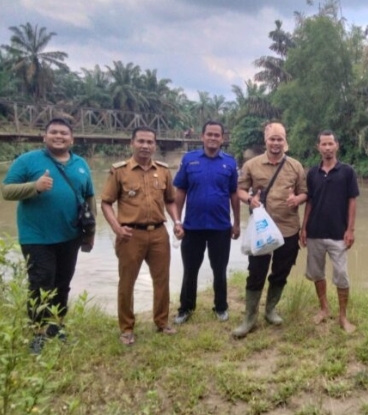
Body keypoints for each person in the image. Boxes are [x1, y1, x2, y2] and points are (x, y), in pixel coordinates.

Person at [2, 118, 96, 354]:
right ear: (44, 137)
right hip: (37, 237)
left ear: (71, 139)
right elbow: (7, 191)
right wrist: (35, 186)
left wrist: (90, 232)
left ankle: (56, 326)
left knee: (63, 283)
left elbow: (89, 198)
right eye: (53, 132)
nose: (59, 136)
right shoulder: (28, 160)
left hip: (70, 235)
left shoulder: (81, 163)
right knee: (41, 283)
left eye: (64, 133)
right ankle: (38, 333)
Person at [101, 126, 180, 346]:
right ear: (132, 143)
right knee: (127, 282)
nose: (145, 146)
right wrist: (117, 227)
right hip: (129, 235)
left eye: (150, 142)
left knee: (162, 280)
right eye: (141, 141)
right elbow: (106, 203)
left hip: (158, 234)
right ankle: (126, 328)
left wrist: (177, 222)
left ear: (155, 145)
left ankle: (162, 322)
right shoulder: (119, 171)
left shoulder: (163, 171)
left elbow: (170, 201)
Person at [233, 122, 307, 338]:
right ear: (265, 141)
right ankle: (249, 317)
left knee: (281, 271)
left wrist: (297, 199)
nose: (276, 143)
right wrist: (249, 199)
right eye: (272, 139)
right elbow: (239, 189)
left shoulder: (295, 166)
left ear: (285, 141)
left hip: (288, 229)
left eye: (280, 139)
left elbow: (305, 193)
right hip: (261, 230)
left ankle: (271, 309)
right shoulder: (252, 165)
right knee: (256, 272)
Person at [172, 121, 240, 325]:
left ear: (222, 138)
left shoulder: (229, 163)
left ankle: (221, 307)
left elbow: (234, 194)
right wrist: (177, 221)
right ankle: (185, 308)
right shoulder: (189, 160)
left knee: (220, 269)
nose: (213, 138)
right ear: (202, 137)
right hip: (193, 227)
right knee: (190, 269)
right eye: (209, 134)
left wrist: (236, 223)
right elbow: (180, 191)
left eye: (217, 135)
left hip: (220, 227)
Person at [300, 130, 359, 333]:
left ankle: (343, 316)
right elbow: (309, 201)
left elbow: (352, 202)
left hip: (338, 233)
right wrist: (304, 227)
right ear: (318, 147)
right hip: (315, 231)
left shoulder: (347, 171)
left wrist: (350, 230)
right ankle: (324, 308)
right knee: (317, 273)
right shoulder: (312, 174)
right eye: (323, 144)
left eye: (330, 144)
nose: (327, 148)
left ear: (337, 146)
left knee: (341, 275)